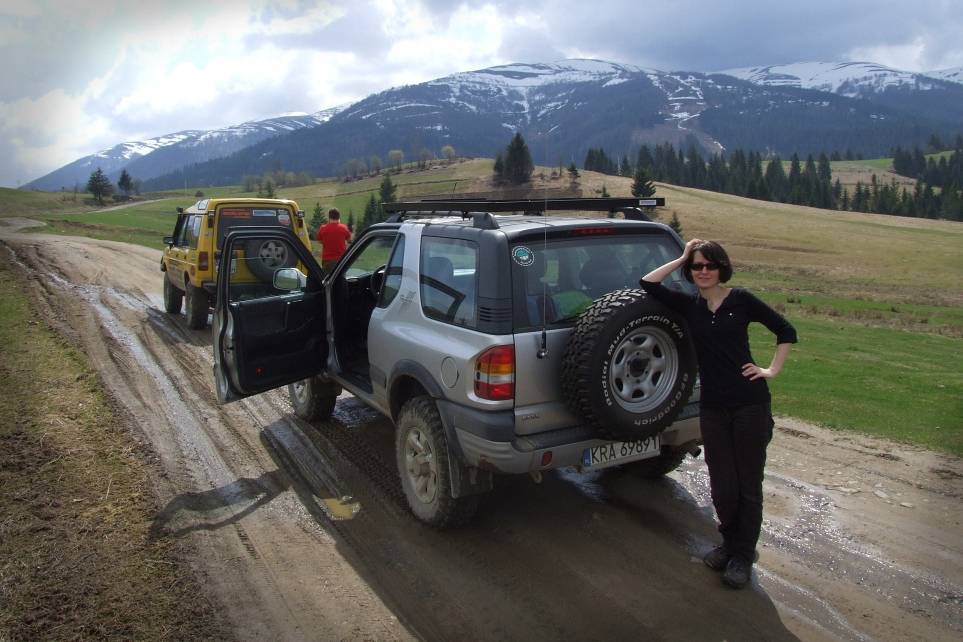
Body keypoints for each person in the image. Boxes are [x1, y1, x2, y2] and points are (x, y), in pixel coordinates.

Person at [639, 239, 797, 589]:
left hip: (750, 404)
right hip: (713, 407)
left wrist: (770, 370)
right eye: (697, 267)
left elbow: (786, 331)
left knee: (747, 484)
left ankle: (743, 556)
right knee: (722, 484)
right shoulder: (689, 306)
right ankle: (728, 544)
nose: (704, 272)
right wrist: (681, 256)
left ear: (722, 267)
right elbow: (648, 283)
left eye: (710, 265)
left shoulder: (740, 300)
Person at [315, 208, 352, 273]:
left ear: (329, 217)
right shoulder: (344, 228)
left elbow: (319, 240)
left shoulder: (323, 228)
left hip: (326, 260)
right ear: (339, 217)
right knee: (340, 278)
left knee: (326, 279)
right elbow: (349, 239)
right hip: (340, 260)